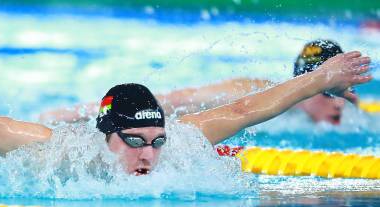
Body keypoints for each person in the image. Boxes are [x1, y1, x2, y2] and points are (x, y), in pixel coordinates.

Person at [0, 50, 371, 176]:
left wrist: (320, 82)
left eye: (156, 141)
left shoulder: (178, 143)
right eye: (135, 140)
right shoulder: (56, 150)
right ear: (104, 135)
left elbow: (244, 111)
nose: (149, 154)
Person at [39, 39, 355, 126]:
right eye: (326, 93)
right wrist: (76, 113)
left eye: (338, 92)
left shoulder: (353, 111)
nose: (338, 103)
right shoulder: (252, 92)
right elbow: (175, 99)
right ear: (305, 84)